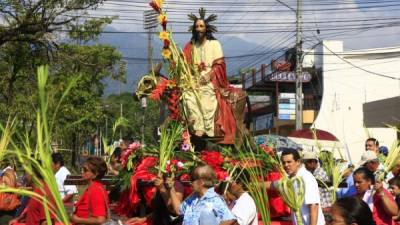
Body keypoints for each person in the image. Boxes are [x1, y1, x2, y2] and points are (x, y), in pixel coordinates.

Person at [182, 8, 243, 144]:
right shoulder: (191, 46)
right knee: (186, 94)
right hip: (195, 79)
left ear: (206, 28)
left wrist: (209, 75)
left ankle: (207, 128)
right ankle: (196, 125)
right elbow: (184, 63)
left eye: (201, 26)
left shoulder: (214, 44)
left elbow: (220, 64)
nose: (199, 29)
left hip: (212, 78)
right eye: (196, 26)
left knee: (205, 92)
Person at [267, 148, 325, 225]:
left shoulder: (306, 178)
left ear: (298, 162)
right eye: (283, 162)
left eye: (289, 162)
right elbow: (273, 185)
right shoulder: (290, 179)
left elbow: (314, 206)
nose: (286, 165)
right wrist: (253, 185)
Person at [166, 164, 236, 225]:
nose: (190, 182)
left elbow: (230, 220)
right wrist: (171, 189)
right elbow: (178, 210)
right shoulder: (194, 197)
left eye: (192, 179)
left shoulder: (214, 199)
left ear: (201, 182)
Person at [70, 156, 109, 225]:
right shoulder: (93, 187)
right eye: (82, 169)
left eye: (85, 170)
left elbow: (100, 220)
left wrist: (78, 220)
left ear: (95, 173)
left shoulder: (96, 190)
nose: (82, 171)